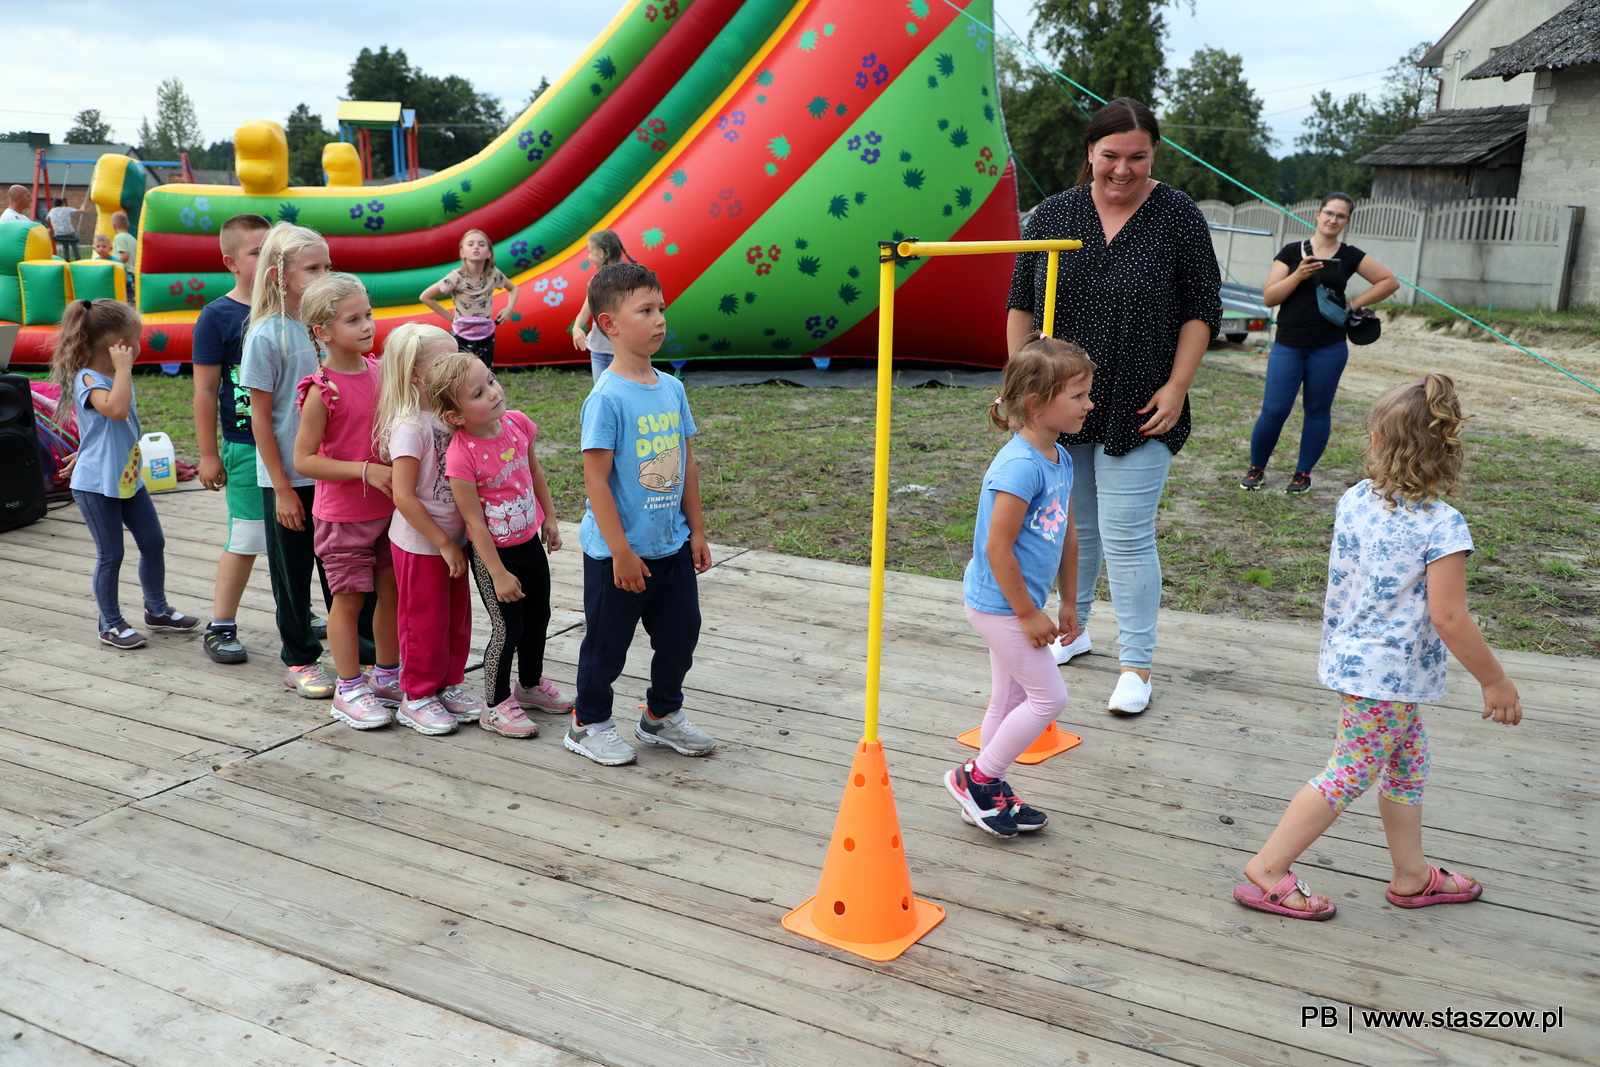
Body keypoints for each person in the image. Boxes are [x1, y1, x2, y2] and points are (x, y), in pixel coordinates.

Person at [1235, 374, 1521, 919]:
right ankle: (1268, 869)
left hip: (1358, 662)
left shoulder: (1356, 500)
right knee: (1348, 772)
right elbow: (1450, 616)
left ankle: (1412, 875)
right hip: (1385, 676)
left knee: (1409, 763)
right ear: (1449, 452)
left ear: (1377, 444)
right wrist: (1494, 680)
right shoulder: (1443, 526)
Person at [1005, 97, 1220, 715]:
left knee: (1127, 537)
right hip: (1059, 401)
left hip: (1142, 400)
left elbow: (1202, 311)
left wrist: (1177, 386)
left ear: (1154, 154)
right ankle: (1074, 631)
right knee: (1076, 528)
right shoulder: (1054, 213)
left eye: (1137, 156)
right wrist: (1021, 386)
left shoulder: (1178, 216)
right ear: (1089, 155)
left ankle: (1137, 665)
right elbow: (1022, 302)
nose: (1122, 169)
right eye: (1110, 156)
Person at [945, 336, 1095, 838]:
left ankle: (987, 793)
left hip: (1019, 602)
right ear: (1036, 403)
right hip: (1000, 605)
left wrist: (1069, 599)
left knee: (1008, 699)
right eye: (1077, 396)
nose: (1088, 404)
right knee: (1049, 699)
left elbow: (1067, 534)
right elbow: (997, 548)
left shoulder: (1059, 457)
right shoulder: (1018, 467)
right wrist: (1030, 613)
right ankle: (977, 779)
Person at [568, 262, 714, 766]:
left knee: (681, 634)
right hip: (619, 556)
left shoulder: (672, 388)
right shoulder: (606, 397)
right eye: (645, 310)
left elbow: (686, 464)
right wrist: (622, 553)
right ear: (608, 324)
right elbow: (595, 482)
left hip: (670, 546)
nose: (659, 320)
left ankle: (660, 715)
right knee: (606, 647)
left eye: (661, 310)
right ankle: (588, 723)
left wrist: (696, 531)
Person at [292, 274, 410, 731]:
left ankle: (386, 675)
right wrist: (366, 471)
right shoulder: (323, 390)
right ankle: (348, 687)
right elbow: (304, 460)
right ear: (322, 332)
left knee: (391, 592)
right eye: (353, 319)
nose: (367, 326)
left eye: (369, 315)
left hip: (388, 511)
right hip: (343, 519)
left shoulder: (381, 371)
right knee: (348, 601)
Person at [435, 351, 569, 737]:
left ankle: (529, 686)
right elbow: (474, 522)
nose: (493, 393)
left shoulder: (518, 424)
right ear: (455, 416)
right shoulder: (461, 457)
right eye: (478, 393)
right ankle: (494, 704)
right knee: (507, 628)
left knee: (538, 616)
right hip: (495, 555)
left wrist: (550, 519)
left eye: (491, 381)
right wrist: (498, 574)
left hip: (529, 542)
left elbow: (534, 470)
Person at [53, 299, 199, 648]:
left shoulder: (111, 376)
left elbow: (104, 430)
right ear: (116, 345)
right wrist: (123, 370)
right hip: (96, 485)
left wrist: (87, 450)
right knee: (111, 555)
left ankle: (157, 609)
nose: (139, 345)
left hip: (127, 478)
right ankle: (111, 623)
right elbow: (115, 411)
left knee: (153, 542)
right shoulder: (89, 378)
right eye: (135, 338)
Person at [1242, 193, 1399, 495]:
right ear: (1317, 214)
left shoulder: (1350, 256)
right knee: (1274, 410)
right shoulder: (1291, 252)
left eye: (1340, 216)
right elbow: (1270, 297)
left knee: (1317, 410)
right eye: (1329, 213)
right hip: (1288, 343)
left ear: (1347, 221)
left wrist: (1353, 303)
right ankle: (1256, 468)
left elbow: (1389, 282)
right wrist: (1299, 274)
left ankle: (1303, 474)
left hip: (1328, 346)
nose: (1333, 219)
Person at [238, 222, 336, 698]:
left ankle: (363, 650)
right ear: (279, 273)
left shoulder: (326, 326)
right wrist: (280, 489)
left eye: (328, 266)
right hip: (289, 480)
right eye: (313, 267)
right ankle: (299, 658)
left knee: (342, 566)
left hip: (333, 474)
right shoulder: (265, 336)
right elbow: (260, 420)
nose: (325, 274)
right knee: (293, 574)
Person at [379, 323, 489, 731]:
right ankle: (417, 694)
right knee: (423, 622)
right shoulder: (411, 425)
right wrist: (443, 542)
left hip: (454, 541)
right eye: (443, 361)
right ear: (414, 374)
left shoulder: (453, 415)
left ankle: (446, 683)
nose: (456, 367)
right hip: (421, 543)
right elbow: (404, 496)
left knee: (455, 619)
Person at [192, 213, 270, 664]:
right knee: (247, 536)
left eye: (275, 251)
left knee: (292, 532)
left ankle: (296, 612)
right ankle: (221, 624)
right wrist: (207, 454)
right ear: (231, 262)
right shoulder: (217, 316)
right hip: (243, 445)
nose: (270, 260)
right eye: (258, 252)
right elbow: (205, 390)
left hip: (291, 446)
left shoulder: (292, 309)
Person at [420, 229, 518, 369]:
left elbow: (514, 288)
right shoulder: (456, 277)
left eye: (481, 244)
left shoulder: (494, 274)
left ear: (489, 253)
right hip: (461, 333)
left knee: (484, 370)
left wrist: (508, 309)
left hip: (485, 333)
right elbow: (426, 296)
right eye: (470, 244)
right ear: (462, 253)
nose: (476, 247)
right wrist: (450, 317)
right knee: (460, 371)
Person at [568, 229, 637, 380]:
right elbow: (585, 311)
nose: (589, 256)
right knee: (601, 394)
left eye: (590, 251)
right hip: (598, 351)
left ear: (600, 253)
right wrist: (577, 327)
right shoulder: (596, 281)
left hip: (622, 353)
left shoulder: (629, 281)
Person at [110, 211, 137, 278]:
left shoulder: (119, 237)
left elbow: (125, 256)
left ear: (114, 225)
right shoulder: (133, 238)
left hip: (125, 272)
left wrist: (112, 264)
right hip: (134, 272)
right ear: (128, 225)